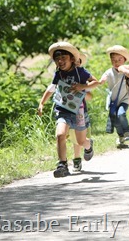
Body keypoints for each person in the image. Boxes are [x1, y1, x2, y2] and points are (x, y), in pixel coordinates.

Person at [37, 42, 96, 178]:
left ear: (71, 59)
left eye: (64, 58)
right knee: (60, 135)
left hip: (79, 111)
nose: (60, 61)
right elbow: (51, 88)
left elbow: (94, 82)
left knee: (81, 142)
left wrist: (82, 86)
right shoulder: (59, 74)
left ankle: (89, 145)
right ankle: (62, 165)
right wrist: (42, 103)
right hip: (63, 109)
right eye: (57, 59)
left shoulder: (80, 72)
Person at [99, 45, 129, 149]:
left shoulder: (126, 71)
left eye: (119, 60)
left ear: (124, 60)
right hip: (113, 100)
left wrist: (126, 72)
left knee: (121, 114)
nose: (116, 62)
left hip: (124, 99)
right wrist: (102, 80)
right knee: (116, 121)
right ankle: (121, 137)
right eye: (114, 60)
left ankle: (127, 132)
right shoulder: (109, 72)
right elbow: (103, 78)